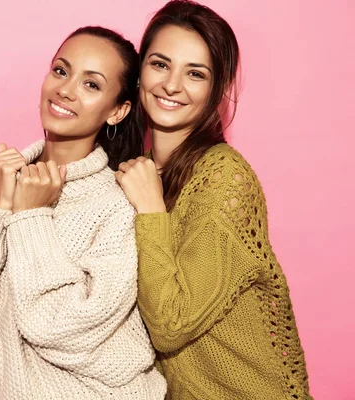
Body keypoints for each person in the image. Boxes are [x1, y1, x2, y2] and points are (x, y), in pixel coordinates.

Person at [0, 26, 167, 399]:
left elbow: (64, 328)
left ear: (118, 111)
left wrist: (30, 217)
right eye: (61, 71)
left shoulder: (119, 203)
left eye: (91, 84)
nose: (65, 89)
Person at [115, 1, 311, 399]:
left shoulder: (224, 177)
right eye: (160, 64)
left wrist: (151, 210)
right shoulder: (141, 173)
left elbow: (171, 323)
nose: (172, 85)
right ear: (139, 75)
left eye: (195, 74)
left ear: (217, 89)